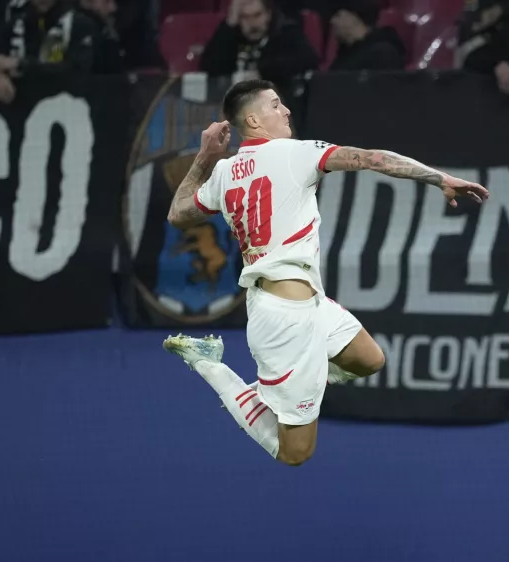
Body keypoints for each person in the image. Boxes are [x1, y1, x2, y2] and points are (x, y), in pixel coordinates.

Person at [161, 80, 489, 466]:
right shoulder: (295, 154)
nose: (285, 111)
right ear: (253, 118)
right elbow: (372, 159)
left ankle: (288, 382)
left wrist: (204, 157)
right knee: (295, 453)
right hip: (286, 321)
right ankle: (208, 363)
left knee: (369, 359)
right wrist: (439, 178)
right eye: (275, 104)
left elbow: (178, 213)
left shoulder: (224, 172)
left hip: (304, 301)